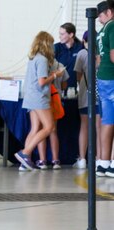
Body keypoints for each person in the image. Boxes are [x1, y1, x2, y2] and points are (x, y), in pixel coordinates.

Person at [15, 31, 64, 171]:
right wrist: (55, 75)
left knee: (35, 128)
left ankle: (24, 162)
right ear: (46, 44)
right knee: (49, 127)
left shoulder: (33, 58)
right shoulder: (42, 59)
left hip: (30, 96)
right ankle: (25, 153)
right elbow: (42, 82)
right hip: (39, 97)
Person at [74, 30, 102, 169]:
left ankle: (82, 159)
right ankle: (99, 159)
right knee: (99, 128)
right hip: (100, 97)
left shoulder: (81, 54)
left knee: (84, 127)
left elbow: (78, 77)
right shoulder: (101, 55)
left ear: (84, 41)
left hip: (85, 97)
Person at [35, 60, 69, 170]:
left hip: (42, 99)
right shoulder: (60, 65)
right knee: (53, 130)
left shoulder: (39, 63)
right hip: (55, 99)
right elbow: (64, 85)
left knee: (42, 129)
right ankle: (55, 160)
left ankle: (42, 160)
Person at [97, 0, 114, 178]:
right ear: (110, 12)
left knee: (107, 120)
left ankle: (103, 163)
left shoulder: (100, 32)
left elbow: (98, 60)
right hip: (112, 77)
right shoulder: (113, 26)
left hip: (103, 79)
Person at [54, 22, 84, 90]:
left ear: (71, 35)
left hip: (74, 88)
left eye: (62, 34)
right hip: (59, 87)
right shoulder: (56, 48)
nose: (59, 36)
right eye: (59, 34)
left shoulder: (80, 48)